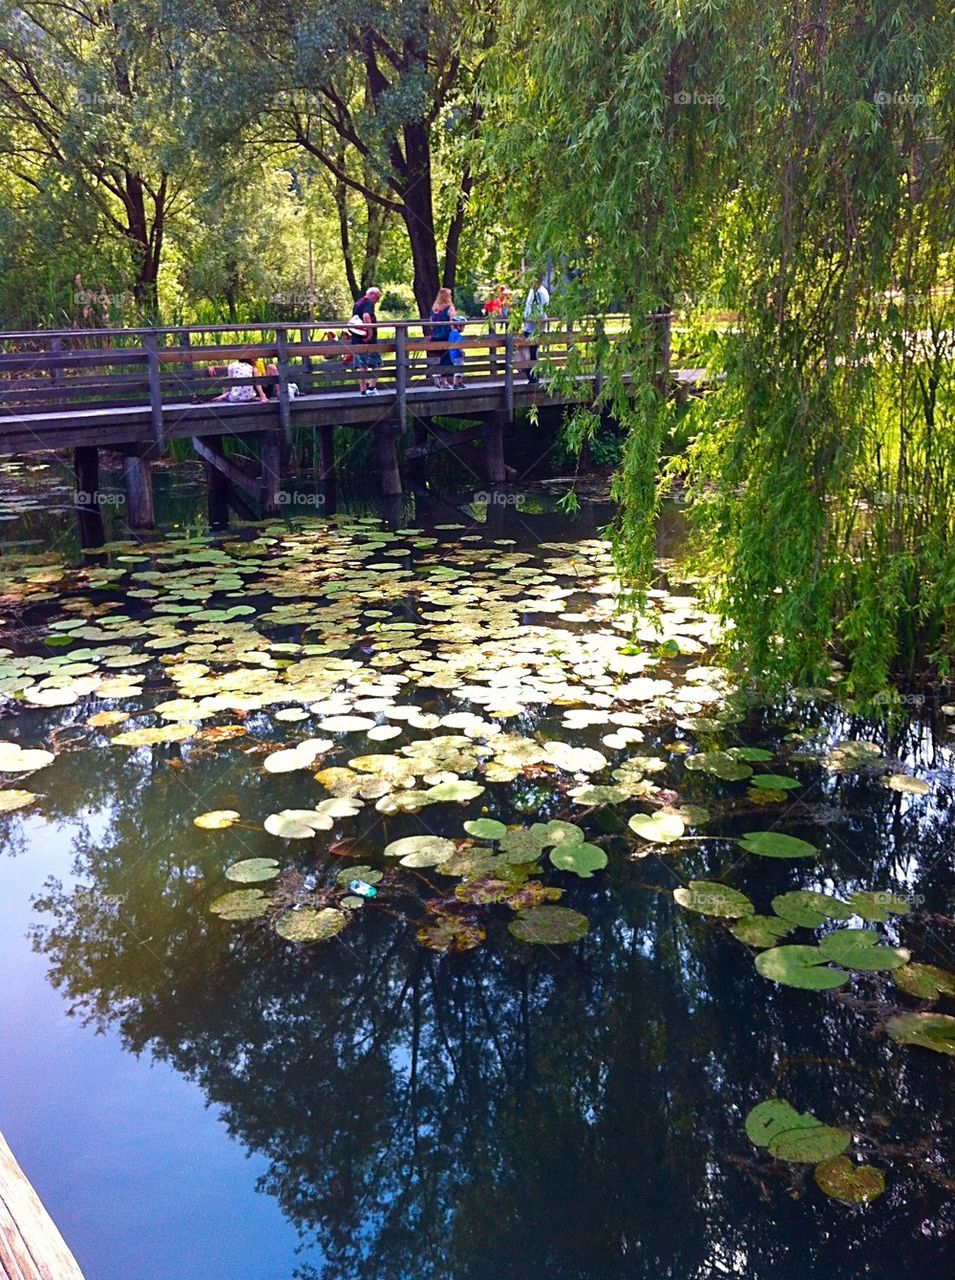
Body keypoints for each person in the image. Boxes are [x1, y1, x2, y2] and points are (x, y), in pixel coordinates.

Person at [349, 286, 383, 395]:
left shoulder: (358, 303)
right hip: (367, 339)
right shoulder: (368, 303)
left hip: (356, 339)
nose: (377, 301)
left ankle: (363, 390)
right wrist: (370, 332)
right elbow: (366, 316)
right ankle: (372, 388)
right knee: (377, 363)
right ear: (373, 295)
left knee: (361, 365)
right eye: (377, 298)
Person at [429, 287, 465, 389]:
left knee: (442, 358)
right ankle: (442, 378)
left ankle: (442, 378)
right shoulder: (449, 308)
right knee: (448, 359)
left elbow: (431, 324)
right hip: (447, 336)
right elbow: (454, 322)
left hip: (436, 337)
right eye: (450, 295)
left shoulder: (434, 309)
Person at [522, 275, 550, 383]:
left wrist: (530, 319)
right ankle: (532, 378)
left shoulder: (541, 293)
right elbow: (528, 308)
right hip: (529, 327)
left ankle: (534, 379)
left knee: (531, 353)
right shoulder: (532, 291)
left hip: (535, 328)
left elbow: (541, 312)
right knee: (526, 352)